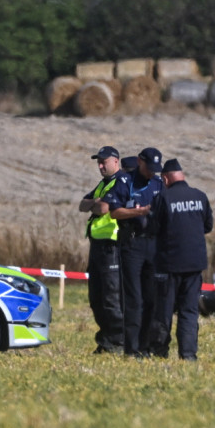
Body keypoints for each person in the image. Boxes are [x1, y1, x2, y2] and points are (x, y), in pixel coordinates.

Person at [151, 158, 213, 361]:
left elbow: (153, 228)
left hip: (169, 265)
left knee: (164, 311)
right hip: (195, 265)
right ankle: (188, 355)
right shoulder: (200, 196)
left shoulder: (163, 197)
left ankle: (159, 352)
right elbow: (207, 226)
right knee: (189, 311)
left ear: (165, 178)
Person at [77, 145, 134, 355]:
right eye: (98, 162)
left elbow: (102, 209)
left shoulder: (121, 182)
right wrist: (96, 202)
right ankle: (106, 339)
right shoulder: (103, 184)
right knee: (96, 297)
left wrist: (97, 204)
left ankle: (118, 341)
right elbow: (83, 205)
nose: (100, 166)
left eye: (104, 162)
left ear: (116, 161)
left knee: (112, 297)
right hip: (97, 246)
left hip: (112, 245)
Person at [118, 147, 164, 358]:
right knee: (134, 299)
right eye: (149, 168)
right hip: (132, 244)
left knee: (151, 298)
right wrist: (138, 211)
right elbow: (113, 210)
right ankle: (132, 348)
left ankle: (146, 346)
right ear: (139, 162)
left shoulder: (158, 184)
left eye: (155, 169)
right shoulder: (126, 182)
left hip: (153, 245)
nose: (151, 172)